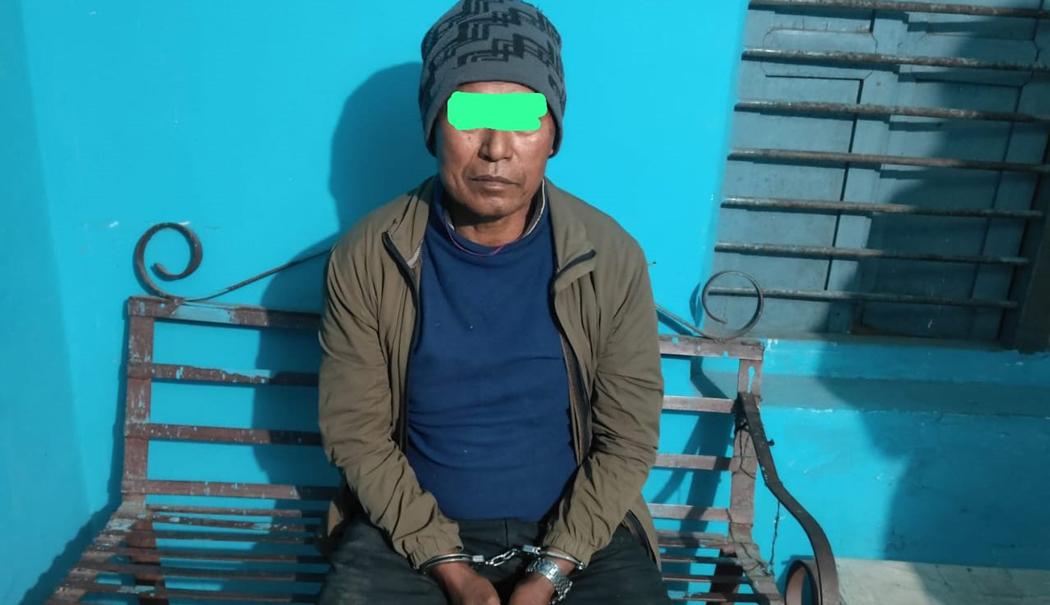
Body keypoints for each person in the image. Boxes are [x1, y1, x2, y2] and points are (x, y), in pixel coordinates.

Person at [317, 1, 668, 603]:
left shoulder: (609, 257)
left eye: (524, 119)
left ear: (553, 135)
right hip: (407, 534)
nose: (496, 149)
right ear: (433, 126)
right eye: (470, 116)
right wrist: (450, 568)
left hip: (579, 534)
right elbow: (356, 434)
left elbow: (628, 437)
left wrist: (550, 572)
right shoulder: (369, 255)